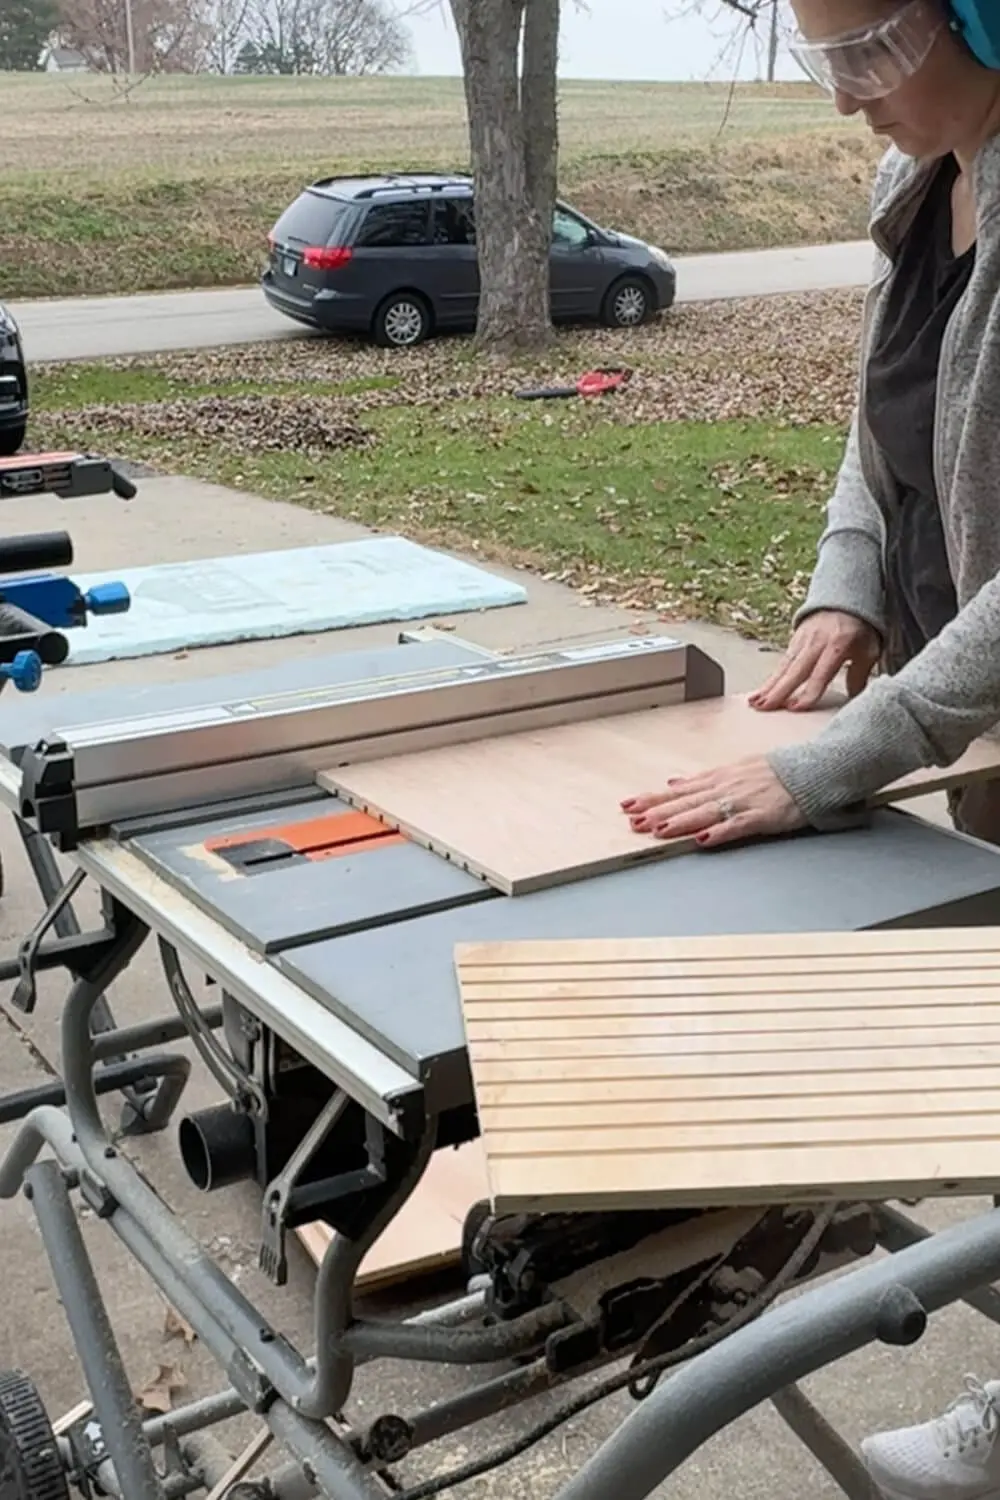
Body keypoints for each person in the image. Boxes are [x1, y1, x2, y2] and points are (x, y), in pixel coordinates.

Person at [620, 1, 1000, 1496]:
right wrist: (849, 582)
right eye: (821, 60)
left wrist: (836, 757)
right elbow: (879, 421)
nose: (847, 100)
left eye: (872, 52)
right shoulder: (920, 191)